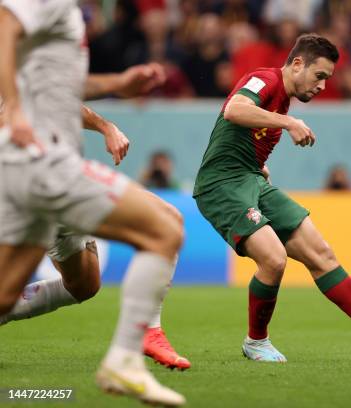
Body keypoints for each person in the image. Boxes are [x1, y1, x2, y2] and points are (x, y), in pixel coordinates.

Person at [0, 1, 185, 405]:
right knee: (165, 225)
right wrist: (13, 110)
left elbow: (56, 88)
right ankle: (127, 356)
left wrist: (118, 86)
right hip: (41, 162)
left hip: (30, 163)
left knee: (76, 285)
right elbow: (4, 28)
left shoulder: (63, 15)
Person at [193, 34, 351, 362]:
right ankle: (256, 341)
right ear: (296, 64)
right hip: (221, 186)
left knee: (321, 253)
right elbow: (235, 109)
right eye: (319, 76)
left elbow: (246, 138)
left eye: (327, 79)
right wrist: (289, 122)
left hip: (251, 181)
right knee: (274, 259)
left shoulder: (283, 100)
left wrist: (259, 166)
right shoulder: (264, 79)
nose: (322, 86)